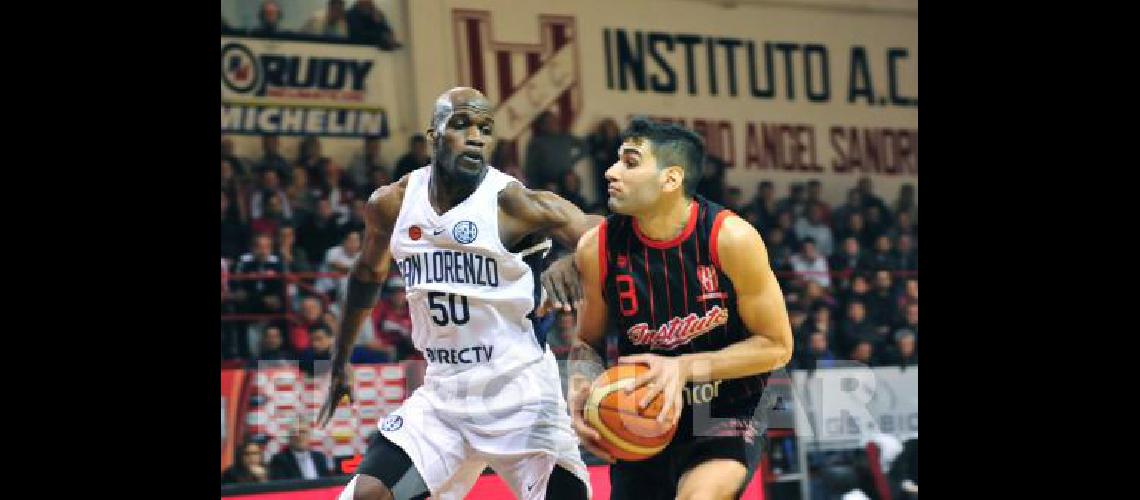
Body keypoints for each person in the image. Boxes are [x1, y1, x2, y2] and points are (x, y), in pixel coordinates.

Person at [318, 87, 597, 500]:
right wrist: (339, 361)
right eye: (461, 124)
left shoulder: (511, 203)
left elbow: (598, 231)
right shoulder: (392, 204)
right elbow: (365, 278)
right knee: (368, 496)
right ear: (434, 134)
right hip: (445, 402)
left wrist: (574, 259)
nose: (475, 136)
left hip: (520, 398)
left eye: (485, 128)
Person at [567, 118, 794, 500]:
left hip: (727, 407)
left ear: (671, 179)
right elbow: (586, 342)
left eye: (630, 162)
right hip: (640, 414)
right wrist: (581, 388)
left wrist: (682, 367)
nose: (611, 172)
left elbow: (777, 345)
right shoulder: (597, 248)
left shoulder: (731, 238)